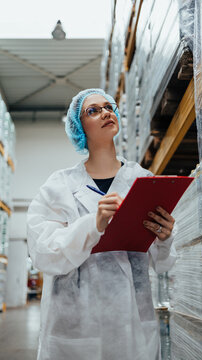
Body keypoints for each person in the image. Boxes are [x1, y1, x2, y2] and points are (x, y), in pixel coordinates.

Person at [27, 88, 177, 360]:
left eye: (109, 107)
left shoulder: (142, 180)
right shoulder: (59, 186)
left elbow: (163, 263)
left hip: (132, 325)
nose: (106, 112)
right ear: (78, 126)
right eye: (93, 110)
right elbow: (44, 253)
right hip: (75, 327)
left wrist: (164, 238)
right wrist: (93, 224)